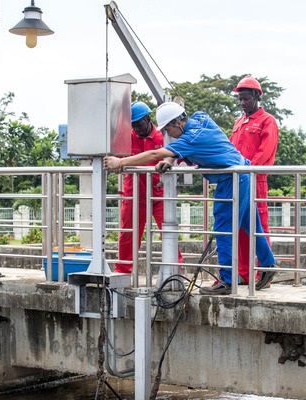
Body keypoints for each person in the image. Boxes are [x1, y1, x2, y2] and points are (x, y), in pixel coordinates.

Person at [104, 102, 278, 295]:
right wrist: (171, 159)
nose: (169, 135)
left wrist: (120, 162)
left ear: (178, 122)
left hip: (231, 181)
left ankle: (228, 282)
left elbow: (155, 153)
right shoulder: (202, 118)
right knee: (251, 224)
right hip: (245, 173)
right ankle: (268, 265)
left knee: (223, 231)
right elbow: (175, 150)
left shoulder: (189, 139)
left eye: (169, 129)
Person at [114, 101, 181, 273]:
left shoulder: (163, 136)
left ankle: (176, 269)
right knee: (128, 233)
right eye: (133, 125)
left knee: (168, 232)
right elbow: (114, 157)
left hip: (160, 193)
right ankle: (123, 270)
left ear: (148, 118)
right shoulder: (126, 137)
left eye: (139, 124)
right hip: (134, 192)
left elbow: (175, 155)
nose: (136, 129)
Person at [231, 76, 279, 284]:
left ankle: (264, 271)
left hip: (255, 180)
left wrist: (247, 171)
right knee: (240, 226)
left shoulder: (267, 121)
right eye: (240, 99)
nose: (242, 103)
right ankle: (244, 273)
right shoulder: (238, 122)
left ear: (257, 97)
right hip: (237, 180)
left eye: (246, 99)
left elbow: (265, 153)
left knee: (260, 227)